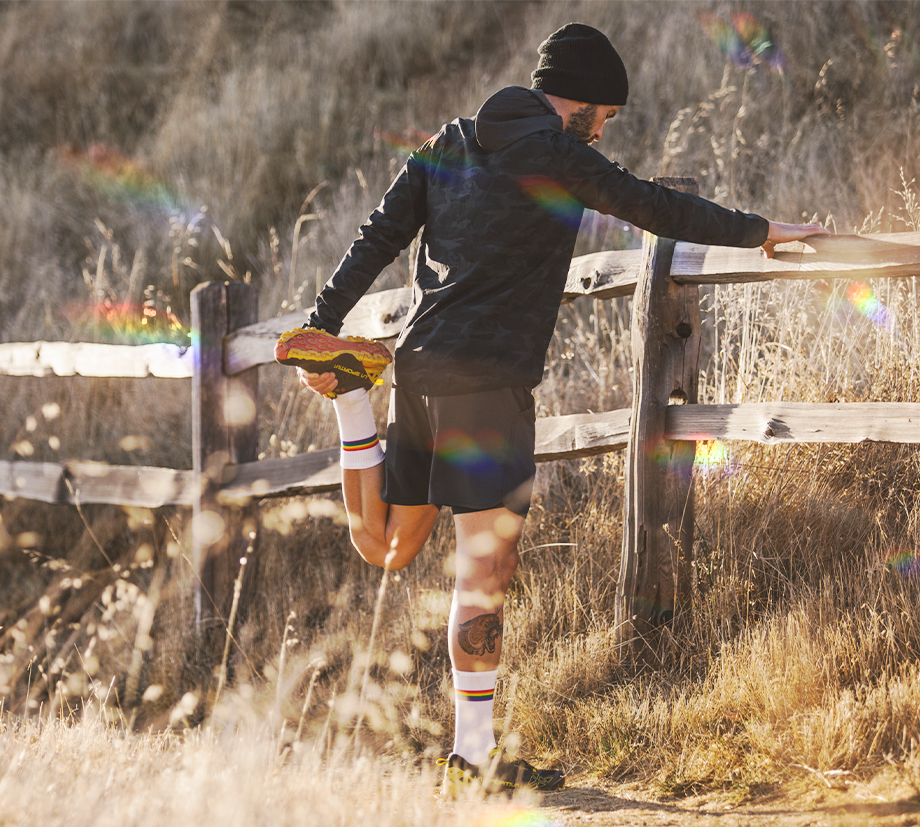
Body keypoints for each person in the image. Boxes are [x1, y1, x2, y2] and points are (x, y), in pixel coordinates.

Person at [277, 22, 828, 794]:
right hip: (489, 387)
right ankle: (473, 756)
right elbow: (653, 207)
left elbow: (377, 234)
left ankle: (351, 403)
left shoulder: (451, 141)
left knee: (390, 547)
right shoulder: (559, 155)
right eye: (604, 114)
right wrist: (763, 230)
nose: (604, 129)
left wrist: (321, 324)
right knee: (484, 570)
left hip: (420, 369)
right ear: (578, 102)